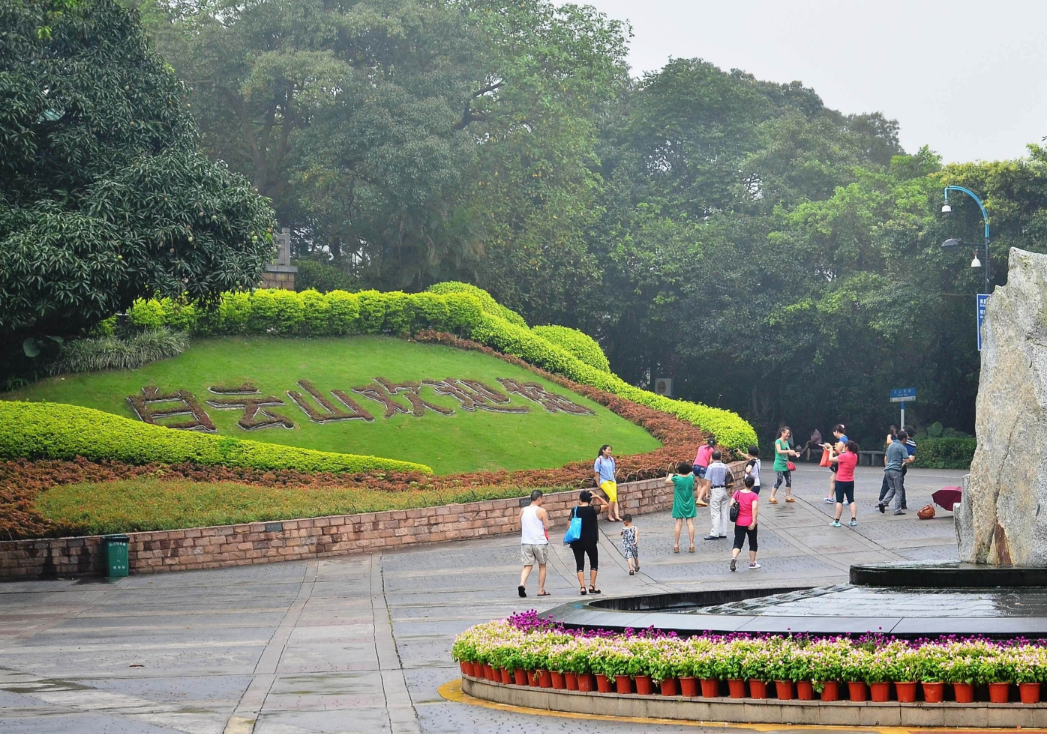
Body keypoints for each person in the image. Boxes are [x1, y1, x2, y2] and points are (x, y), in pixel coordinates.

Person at [570, 489, 607, 595]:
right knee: (594, 562)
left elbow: (569, 524)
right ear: (590, 499)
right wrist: (596, 496)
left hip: (577, 541)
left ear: (580, 499)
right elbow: (606, 505)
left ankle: (582, 587)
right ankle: (592, 585)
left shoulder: (575, 510)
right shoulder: (593, 509)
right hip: (591, 540)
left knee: (580, 564)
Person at [518, 489, 551, 597]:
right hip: (539, 542)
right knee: (542, 565)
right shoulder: (541, 511)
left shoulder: (523, 510)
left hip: (526, 542)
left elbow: (520, 526)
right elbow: (547, 526)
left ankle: (522, 584)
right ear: (539, 499)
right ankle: (541, 590)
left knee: (527, 565)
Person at [730, 475, 760, 571]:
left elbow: (731, 504)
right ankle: (752, 563)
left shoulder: (737, 493)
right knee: (752, 542)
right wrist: (754, 521)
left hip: (739, 522)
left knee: (738, 542)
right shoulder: (753, 495)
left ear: (744, 483)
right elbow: (754, 508)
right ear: (753, 485)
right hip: (750, 522)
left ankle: (734, 558)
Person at [666, 461, 697, 553]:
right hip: (690, 503)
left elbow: (667, 481)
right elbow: (692, 473)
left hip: (679, 503)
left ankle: (676, 544)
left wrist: (671, 474)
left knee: (678, 523)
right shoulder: (691, 478)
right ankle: (691, 544)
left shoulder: (676, 479)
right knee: (690, 523)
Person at [827, 441, 859, 527]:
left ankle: (837, 521)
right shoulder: (855, 456)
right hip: (850, 481)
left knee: (839, 501)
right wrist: (837, 451)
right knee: (851, 500)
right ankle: (853, 519)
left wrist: (830, 450)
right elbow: (844, 456)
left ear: (847, 448)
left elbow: (831, 459)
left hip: (841, 481)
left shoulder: (843, 456)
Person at [879, 430, 909, 515]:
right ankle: (897, 510)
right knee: (898, 490)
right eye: (906, 439)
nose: (906, 440)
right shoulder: (902, 447)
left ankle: (883, 502)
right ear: (903, 439)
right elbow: (907, 459)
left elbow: (886, 457)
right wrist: (910, 458)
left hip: (888, 470)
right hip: (896, 470)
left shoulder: (891, 445)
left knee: (892, 488)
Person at [703, 450, 732, 540]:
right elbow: (731, 478)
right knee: (724, 512)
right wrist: (731, 490)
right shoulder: (725, 466)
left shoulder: (711, 467)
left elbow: (708, 481)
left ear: (712, 457)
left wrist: (707, 493)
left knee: (715, 512)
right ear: (721, 457)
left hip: (715, 490)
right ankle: (723, 532)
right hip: (724, 490)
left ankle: (714, 533)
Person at [770, 426, 799, 504]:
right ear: (782, 433)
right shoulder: (778, 441)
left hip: (786, 464)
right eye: (786, 433)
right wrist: (789, 450)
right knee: (779, 480)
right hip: (779, 464)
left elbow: (788, 452)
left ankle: (787, 496)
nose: (788, 435)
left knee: (788, 480)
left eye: (789, 433)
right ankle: (772, 496)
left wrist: (794, 453)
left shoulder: (786, 442)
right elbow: (779, 451)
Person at [593, 445, 622, 522]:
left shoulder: (611, 459)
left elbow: (613, 471)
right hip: (604, 481)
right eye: (608, 450)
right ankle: (609, 515)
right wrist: (598, 483)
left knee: (615, 499)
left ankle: (617, 515)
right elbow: (597, 472)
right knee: (612, 497)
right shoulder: (599, 460)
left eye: (610, 450)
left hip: (612, 481)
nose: (609, 451)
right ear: (603, 450)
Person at [822, 424, 849, 504]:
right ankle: (831, 497)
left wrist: (829, 448)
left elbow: (836, 451)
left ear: (836, 431)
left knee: (840, 480)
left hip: (841, 462)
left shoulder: (842, 440)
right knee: (833, 479)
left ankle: (846, 498)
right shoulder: (845, 438)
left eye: (834, 432)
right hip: (842, 461)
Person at [692, 437, 716, 507]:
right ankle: (699, 499)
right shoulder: (712, 450)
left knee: (700, 484)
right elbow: (711, 461)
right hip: (702, 467)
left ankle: (699, 501)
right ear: (714, 444)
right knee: (706, 485)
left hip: (695, 466)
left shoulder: (701, 447)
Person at [877, 427, 897, 507]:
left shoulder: (897, 440)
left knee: (893, 485)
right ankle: (882, 499)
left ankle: (883, 500)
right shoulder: (892, 438)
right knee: (890, 484)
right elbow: (889, 441)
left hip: (892, 464)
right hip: (891, 463)